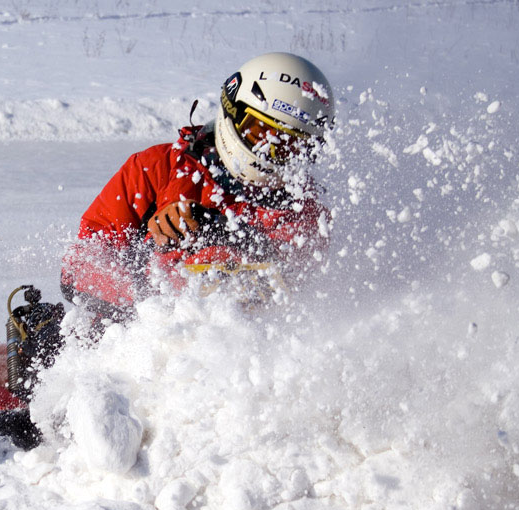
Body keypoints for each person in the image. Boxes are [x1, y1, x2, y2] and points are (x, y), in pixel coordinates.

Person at [61, 52, 335, 335]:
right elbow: (81, 266)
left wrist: (223, 234)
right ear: (234, 110)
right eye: (260, 133)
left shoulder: (305, 215)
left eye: (290, 146)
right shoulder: (155, 168)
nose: (269, 154)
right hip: (131, 348)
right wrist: (148, 264)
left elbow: (296, 292)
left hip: (240, 359)